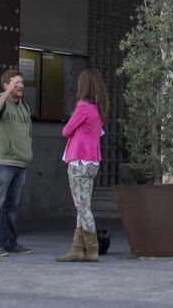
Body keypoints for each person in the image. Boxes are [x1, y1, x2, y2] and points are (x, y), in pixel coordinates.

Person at [56, 69, 108, 263]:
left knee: (82, 207)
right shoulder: (99, 109)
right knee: (83, 206)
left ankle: (92, 248)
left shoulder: (83, 107)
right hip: (93, 161)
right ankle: (77, 248)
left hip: (78, 160)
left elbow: (66, 130)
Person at [0, 67, 33, 257]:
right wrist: (5, 93)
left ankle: (11, 242)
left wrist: (29, 152)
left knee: (12, 207)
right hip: (3, 162)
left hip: (21, 163)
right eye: (16, 83)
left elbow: (28, 134)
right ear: (6, 85)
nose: (21, 86)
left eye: (21, 82)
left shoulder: (25, 108)